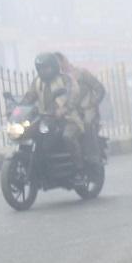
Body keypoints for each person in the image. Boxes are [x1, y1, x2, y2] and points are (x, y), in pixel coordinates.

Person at [22, 52, 85, 182]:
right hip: (46, 120)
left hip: (69, 119)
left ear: (54, 67)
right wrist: (18, 109)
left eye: (46, 68)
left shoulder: (65, 80)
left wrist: (63, 109)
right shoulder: (37, 82)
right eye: (40, 69)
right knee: (32, 136)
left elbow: (72, 96)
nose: (43, 71)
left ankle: (79, 171)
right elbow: (29, 97)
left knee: (67, 137)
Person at [54, 53, 106, 161]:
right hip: (70, 114)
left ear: (64, 61)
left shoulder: (81, 73)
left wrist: (92, 103)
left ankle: (92, 158)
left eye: (59, 63)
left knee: (88, 124)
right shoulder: (57, 80)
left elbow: (100, 89)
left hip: (86, 111)